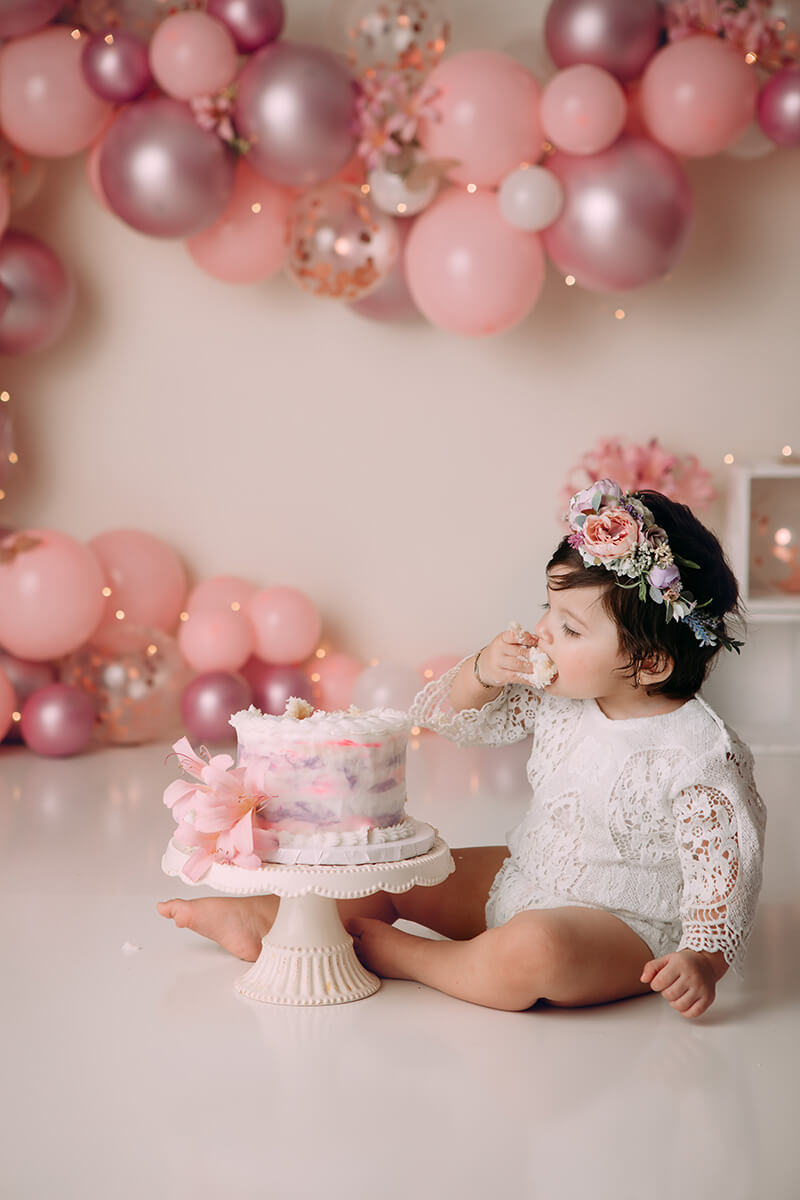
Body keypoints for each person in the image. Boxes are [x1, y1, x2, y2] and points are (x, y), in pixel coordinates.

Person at [159, 478, 765, 1018]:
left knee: (536, 950)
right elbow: (457, 720)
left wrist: (703, 959)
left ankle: (414, 960)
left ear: (650, 662)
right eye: (546, 610)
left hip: (623, 928)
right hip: (528, 875)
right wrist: (484, 671)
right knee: (403, 871)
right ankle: (278, 920)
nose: (546, 632)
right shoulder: (561, 690)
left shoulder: (698, 753)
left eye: (572, 628)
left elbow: (724, 873)